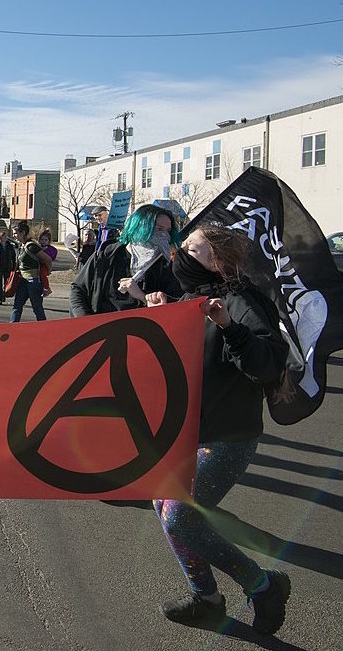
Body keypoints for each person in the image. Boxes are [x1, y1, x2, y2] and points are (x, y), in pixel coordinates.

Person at [144, 224, 291, 635]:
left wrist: (229, 324)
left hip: (228, 435)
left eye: (193, 249)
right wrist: (162, 311)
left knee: (178, 517)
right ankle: (205, 596)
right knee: (163, 505)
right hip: (190, 430)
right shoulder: (192, 298)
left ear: (219, 260)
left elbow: (267, 363)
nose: (181, 255)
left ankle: (262, 587)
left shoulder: (243, 300)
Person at [69, 204, 181, 318]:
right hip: (101, 330)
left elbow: (178, 304)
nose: (164, 235)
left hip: (142, 332)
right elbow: (78, 289)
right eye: (158, 229)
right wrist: (84, 321)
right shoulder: (107, 254)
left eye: (168, 231)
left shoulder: (166, 265)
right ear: (140, 227)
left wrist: (143, 297)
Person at [9, 221, 51, 322]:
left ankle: (44, 329)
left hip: (34, 282)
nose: (14, 236)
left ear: (23, 233)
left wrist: (47, 271)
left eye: (16, 233)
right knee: (17, 306)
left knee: (37, 308)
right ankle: (12, 328)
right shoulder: (21, 246)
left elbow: (48, 259)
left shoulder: (31, 246)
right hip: (23, 281)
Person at [0, 224, 17, 306]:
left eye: (6, 237)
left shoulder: (10, 247)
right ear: (0, 238)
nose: (5, 238)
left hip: (7, 267)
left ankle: (3, 296)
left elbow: (13, 256)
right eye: (3, 237)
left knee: (6, 284)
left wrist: (14, 265)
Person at [37, 229, 59, 297]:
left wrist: (45, 251)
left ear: (49, 241)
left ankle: (47, 288)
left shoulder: (50, 249)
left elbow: (50, 258)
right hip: (38, 265)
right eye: (42, 239)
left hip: (45, 265)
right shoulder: (37, 247)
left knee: (42, 274)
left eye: (45, 240)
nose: (43, 241)